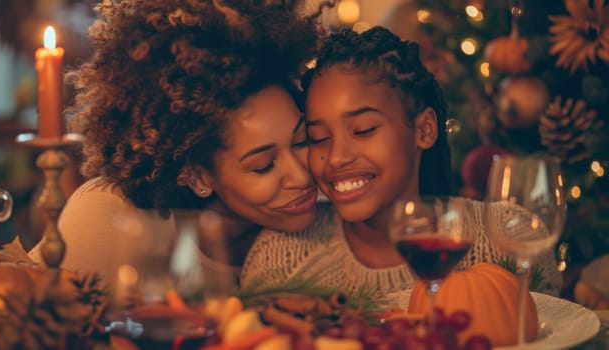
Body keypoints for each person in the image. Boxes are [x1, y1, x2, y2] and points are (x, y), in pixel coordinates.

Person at [241, 26, 562, 308]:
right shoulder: (279, 261)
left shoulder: (511, 239)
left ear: (423, 130)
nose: (336, 157)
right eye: (318, 138)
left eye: (364, 129)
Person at [28, 0, 336, 289]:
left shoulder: (325, 228)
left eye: (302, 141)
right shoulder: (108, 216)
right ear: (197, 176)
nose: (301, 175)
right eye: (263, 165)